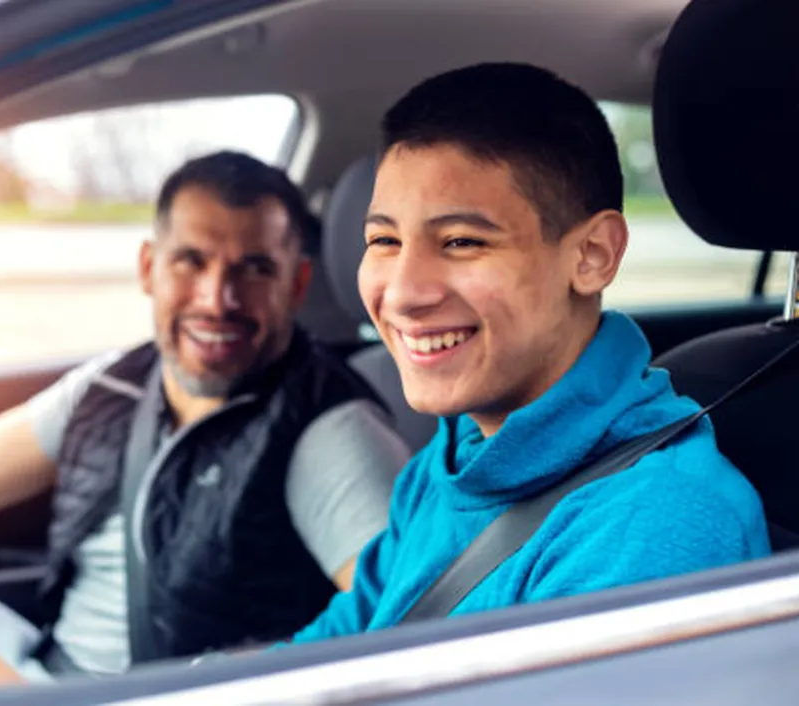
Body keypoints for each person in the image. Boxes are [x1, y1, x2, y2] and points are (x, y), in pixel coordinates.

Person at [0, 150, 409, 687]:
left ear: (295, 285)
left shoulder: (329, 430)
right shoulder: (115, 382)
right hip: (34, 658)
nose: (217, 298)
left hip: (121, 698)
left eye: (255, 268)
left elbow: (405, 629)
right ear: (148, 269)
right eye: (191, 260)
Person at [285, 62, 770, 644]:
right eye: (384, 240)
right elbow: (342, 640)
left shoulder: (657, 523)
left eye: (461, 242)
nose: (406, 293)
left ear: (592, 255)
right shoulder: (452, 457)